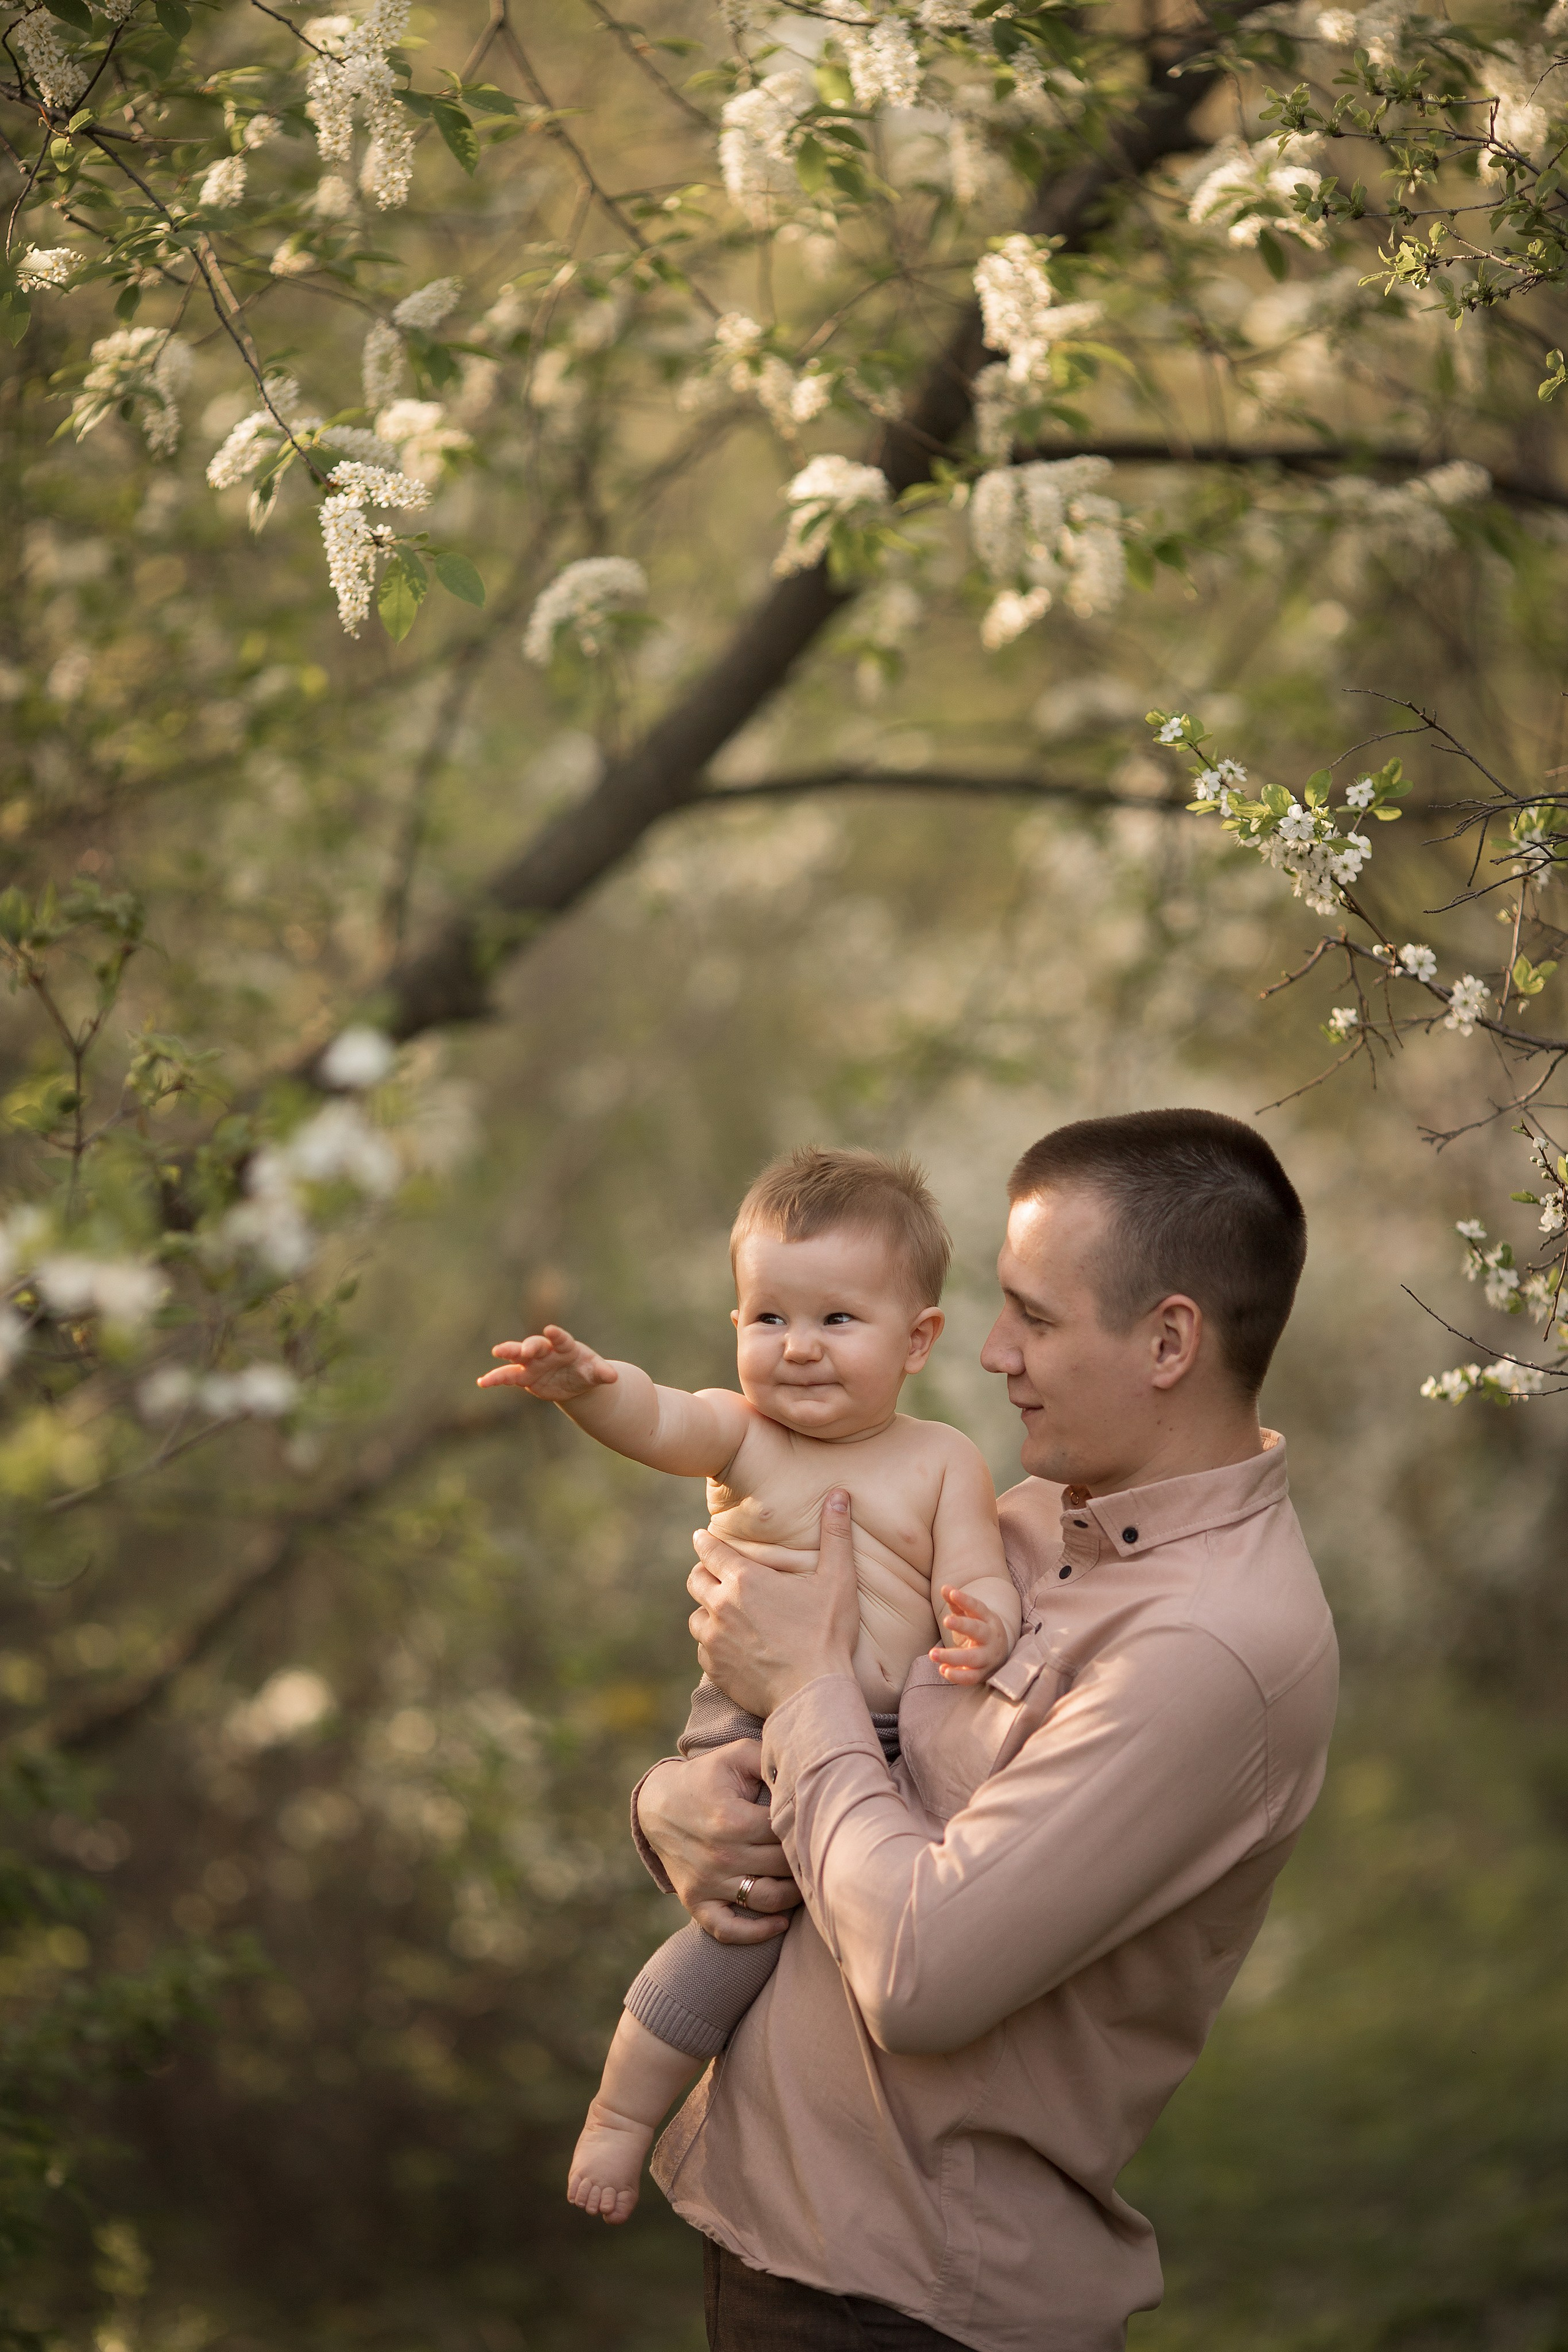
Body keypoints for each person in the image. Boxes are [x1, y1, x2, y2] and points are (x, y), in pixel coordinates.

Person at [632, 1107, 1340, 2352]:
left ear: (1168, 1339)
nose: (993, 1352)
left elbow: (919, 1974)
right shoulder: (1024, 1520)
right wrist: (672, 1809)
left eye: (1035, 1316)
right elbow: (792, 1728)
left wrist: (803, 1693)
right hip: (775, 2244)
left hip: (913, 2311)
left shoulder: (1204, 1652)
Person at [477, 1148, 1022, 2223]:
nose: (799, 1350)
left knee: (863, 1923)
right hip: (748, 1722)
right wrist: (590, 1389)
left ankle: (861, 2154)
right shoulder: (747, 1433)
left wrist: (984, 1620)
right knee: (738, 1932)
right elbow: (660, 1418)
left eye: (836, 1321)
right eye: (768, 1318)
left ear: (917, 1341)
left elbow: (978, 1571)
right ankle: (623, 2117)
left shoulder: (945, 1459)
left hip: (892, 1739)